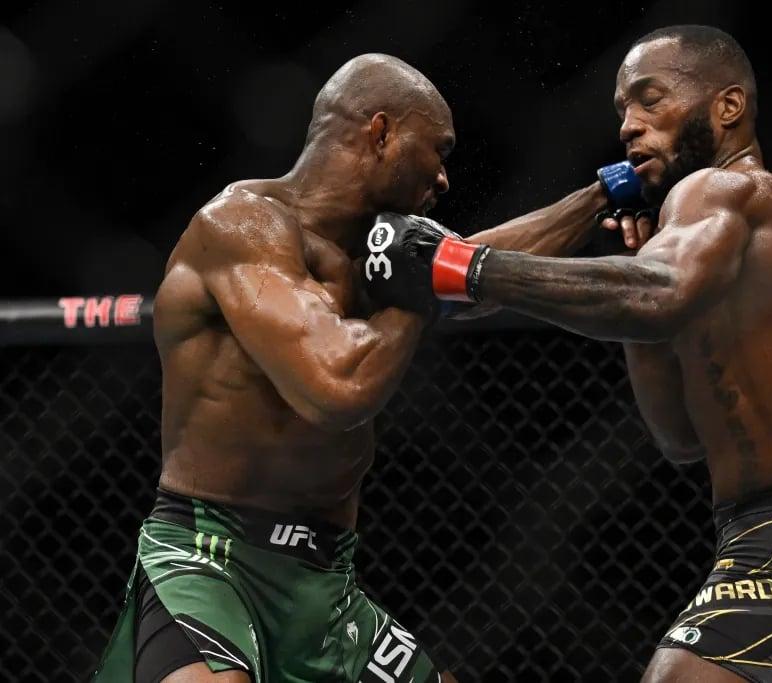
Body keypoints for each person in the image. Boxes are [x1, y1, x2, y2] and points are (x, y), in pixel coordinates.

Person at [364, 26, 772, 682]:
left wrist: (465, 265)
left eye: (650, 100)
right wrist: (631, 269)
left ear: (727, 107)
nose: (628, 125)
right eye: (622, 109)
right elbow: (678, 436)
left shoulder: (721, 191)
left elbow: (661, 293)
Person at [92, 53, 644, 683]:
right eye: (437, 150)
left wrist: (609, 190)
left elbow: (481, 266)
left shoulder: (370, 258)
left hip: (326, 581)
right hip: (212, 558)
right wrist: (423, 288)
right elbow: (336, 387)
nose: (442, 179)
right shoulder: (241, 226)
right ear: (380, 132)